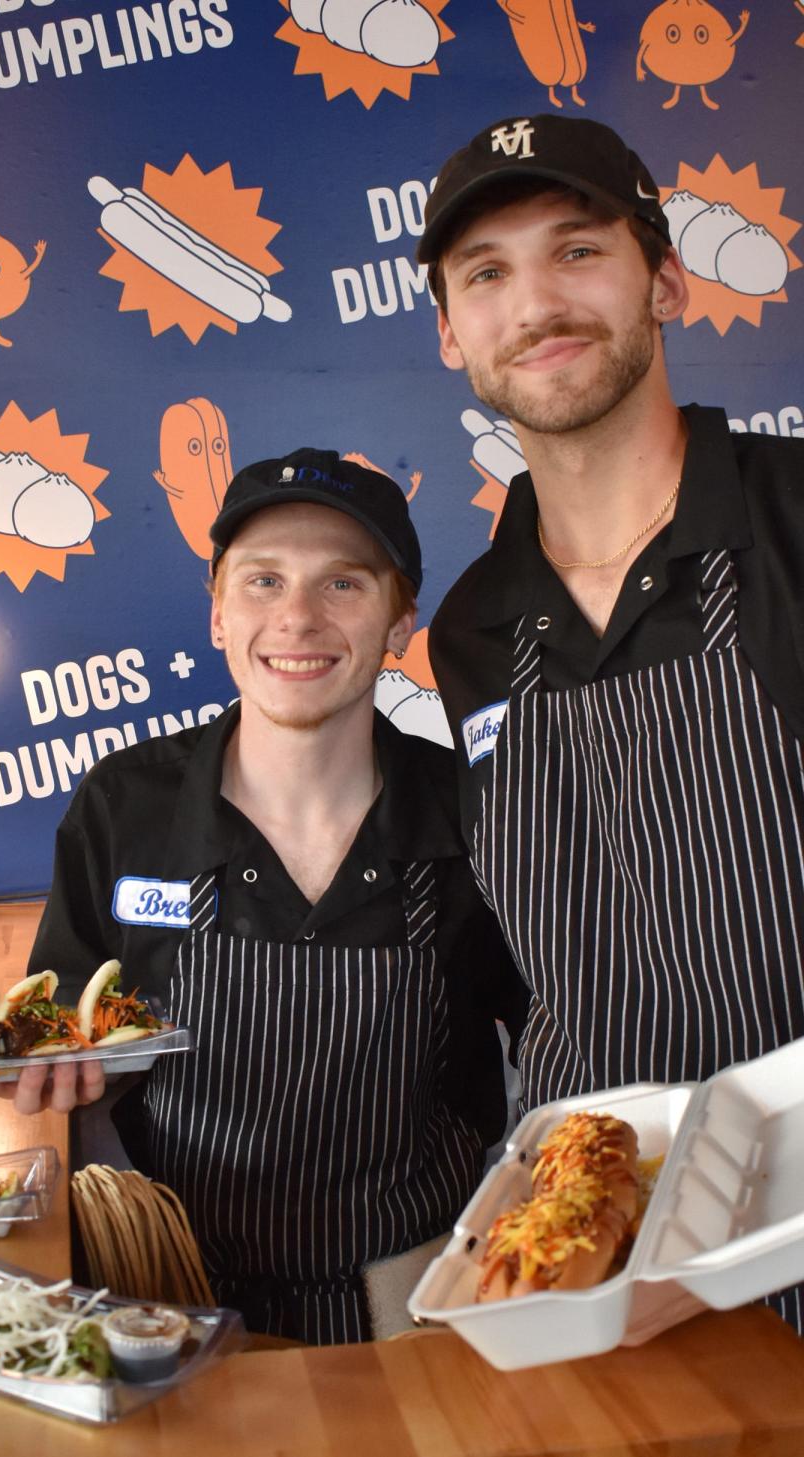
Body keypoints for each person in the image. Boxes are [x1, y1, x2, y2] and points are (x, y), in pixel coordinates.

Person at [0, 448, 525, 1345]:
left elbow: (565, 1034)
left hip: (412, 1304)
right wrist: (45, 1072)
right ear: (218, 610)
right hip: (165, 1297)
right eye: (263, 581)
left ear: (399, 617)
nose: (296, 618)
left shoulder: (476, 815)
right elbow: (63, 1018)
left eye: (342, 584)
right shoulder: (125, 806)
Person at [419, 113, 804, 1330]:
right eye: (487, 273)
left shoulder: (793, 523)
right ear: (450, 332)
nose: (535, 302)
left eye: (577, 250)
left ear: (668, 281)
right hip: (601, 1251)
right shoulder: (476, 625)